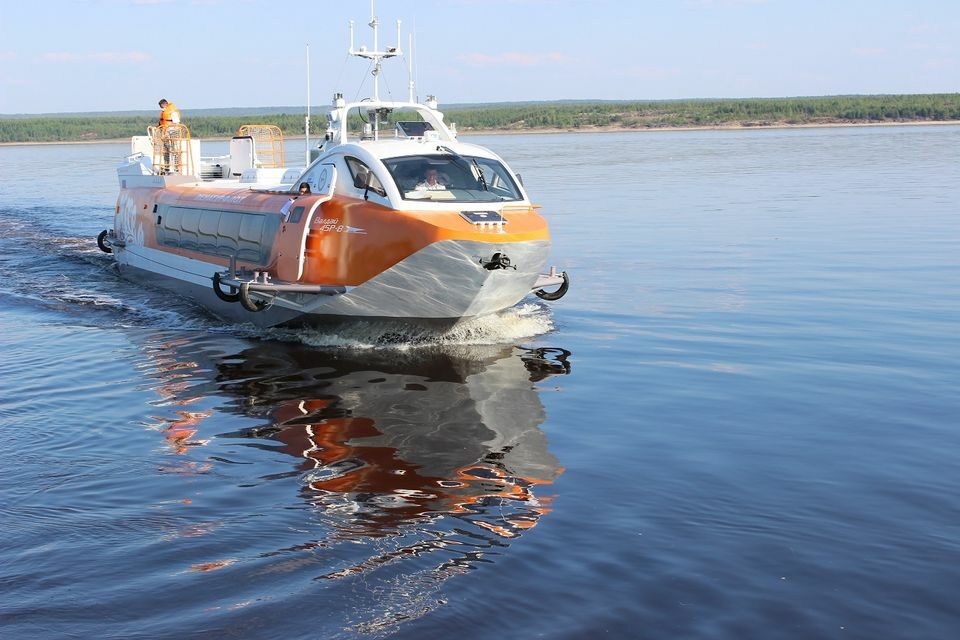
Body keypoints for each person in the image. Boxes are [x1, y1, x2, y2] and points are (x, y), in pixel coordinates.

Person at [157, 99, 182, 173]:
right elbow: (161, 122)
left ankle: (176, 167)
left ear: (166, 104)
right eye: (161, 107)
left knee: (175, 150)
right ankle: (166, 167)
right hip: (165, 133)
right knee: (166, 150)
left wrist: (169, 130)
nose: (162, 108)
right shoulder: (164, 112)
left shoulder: (173, 112)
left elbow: (176, 123)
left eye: (162, 106)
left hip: (173, 132)